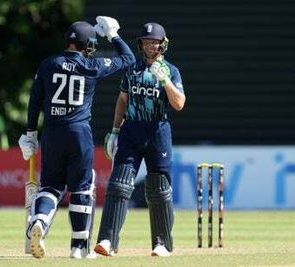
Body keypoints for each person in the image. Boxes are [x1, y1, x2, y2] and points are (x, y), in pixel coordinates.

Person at [18, 16, 135, 259]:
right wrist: (113, 35)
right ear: (86, 44)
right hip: (79, 133)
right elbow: (128, 59)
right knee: (83, 187)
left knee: (50, 187)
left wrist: (30, 133)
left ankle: (39, 220)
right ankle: (78, 247)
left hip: (52, 132)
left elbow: (34, 102)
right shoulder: (90, 66)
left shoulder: (48, 64)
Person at [94, 23, 186, 257]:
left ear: (162, 44)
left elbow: (179, 104)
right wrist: (115, 130)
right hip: (131, 130)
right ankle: (107, 240)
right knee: (118, 185)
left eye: (154, 41)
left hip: (158, 132)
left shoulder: (171, 70)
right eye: (146, 41)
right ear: (141, 44)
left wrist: (165, 81)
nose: (150, 45)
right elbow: (122, 101)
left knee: (158, 190)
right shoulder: (132, 69)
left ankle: (162, 243)